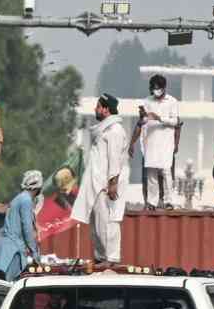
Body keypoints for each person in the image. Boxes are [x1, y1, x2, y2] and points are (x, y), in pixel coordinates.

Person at [71, 94, 129, 266]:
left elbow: (115, 159)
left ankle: (111, 258)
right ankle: (100, 256)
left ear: (106, 109)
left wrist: (112, 184)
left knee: (109, 221)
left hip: (108, 184)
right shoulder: (104, 130)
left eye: (98, 106)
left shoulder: (116, 130)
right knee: (97, 222)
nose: (95, 109)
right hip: (96, 182)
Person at [129, 74, 180, 210]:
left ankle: (169, 201)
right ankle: (152, 202)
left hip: (166, 142)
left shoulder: (172, 101)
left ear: (164, 88)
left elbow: (175, 121)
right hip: (150, 141)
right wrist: (143, 117)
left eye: (158, 88)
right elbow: (142, 122)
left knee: (166, 171)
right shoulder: (147, 101)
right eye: (153, 88)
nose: (156, 90)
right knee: (151, 172)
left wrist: (159, 118)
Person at [0, 170, 45, 281]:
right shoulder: (26, 200)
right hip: (13, 250)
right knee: (6, 285)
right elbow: (27, 228)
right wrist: (34, 251)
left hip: (5, 247)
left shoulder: (18, 198)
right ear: (37, 187)